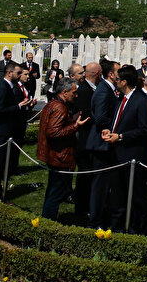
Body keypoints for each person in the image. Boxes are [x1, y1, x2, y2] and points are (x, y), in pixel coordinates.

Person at [102, 64, 147, 233]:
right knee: (117, 194)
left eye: (117, 79)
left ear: (124, 82)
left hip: (132, 155)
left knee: (135, 195)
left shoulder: (141, 101)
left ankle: (136, 228)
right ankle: (117, 225)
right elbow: (118, 120)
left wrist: (121, 136)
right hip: (117, 154)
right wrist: (111, 130)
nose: (114, 82)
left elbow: (145, 130)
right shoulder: (120, 99)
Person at [37, 77, 89, 219]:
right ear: (64, 92)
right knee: (56, 192)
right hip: (60, 156)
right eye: (74, 93)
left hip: (56, 155)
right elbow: (53, 132)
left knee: (54, 190)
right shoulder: (59, 107)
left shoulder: (53, 104)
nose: (76, 95)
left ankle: (47, 219)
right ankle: (48, 221)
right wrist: (75, 126)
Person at [0, 62, 34, 200]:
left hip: (7, 129)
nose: (20, 75)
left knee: (2, 163)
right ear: (9, 73)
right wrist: (18, 107)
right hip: (1, 130)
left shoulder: (9, 86)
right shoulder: (2, 87)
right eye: (18, 73)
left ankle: (0, 189)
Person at [85, 59, 121, 228]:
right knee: (100, 184)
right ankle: (95, 220)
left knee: (105, 184)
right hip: (101, 143)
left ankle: (100, 214)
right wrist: (114, 127)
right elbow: (100, 117)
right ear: (111, 74)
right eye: (118, 72)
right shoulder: (103, 90)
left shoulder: (110, 90)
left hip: (105, 143)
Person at [73, 62, 97, 220]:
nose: (82, 75)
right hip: (85, 137)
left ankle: (84, 203)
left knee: (87, 174)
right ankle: (81, 207)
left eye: (83, 72)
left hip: (89, 138)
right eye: (80, 73)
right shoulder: (83, 91)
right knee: (84, 173)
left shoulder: (89, 88)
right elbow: (84, 114)